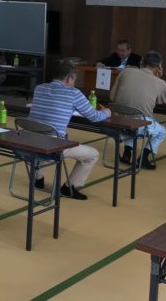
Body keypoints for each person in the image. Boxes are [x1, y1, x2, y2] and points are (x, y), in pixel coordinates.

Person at [28, 60, 112, 200]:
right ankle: (69, 187)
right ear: (68, 78)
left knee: (43, 135)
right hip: (53, 146)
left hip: (30, 141)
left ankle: (38, 178)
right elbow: (94, 117)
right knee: (92, 155)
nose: (74, 84)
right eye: (74, 80)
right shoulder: (74, 93)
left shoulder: (39, 88)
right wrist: (106, 112)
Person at [110, 51, 166, 170]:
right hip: (139, 124)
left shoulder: (125, 71)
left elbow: (112, 97)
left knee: (130, 120)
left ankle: (127, 153)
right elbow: (163, 101)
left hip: (117, 121)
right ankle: (144, 158)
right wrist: (157, 79)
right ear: (159, 66)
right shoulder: (161, 83)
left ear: (142, 62)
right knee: (162, 132)